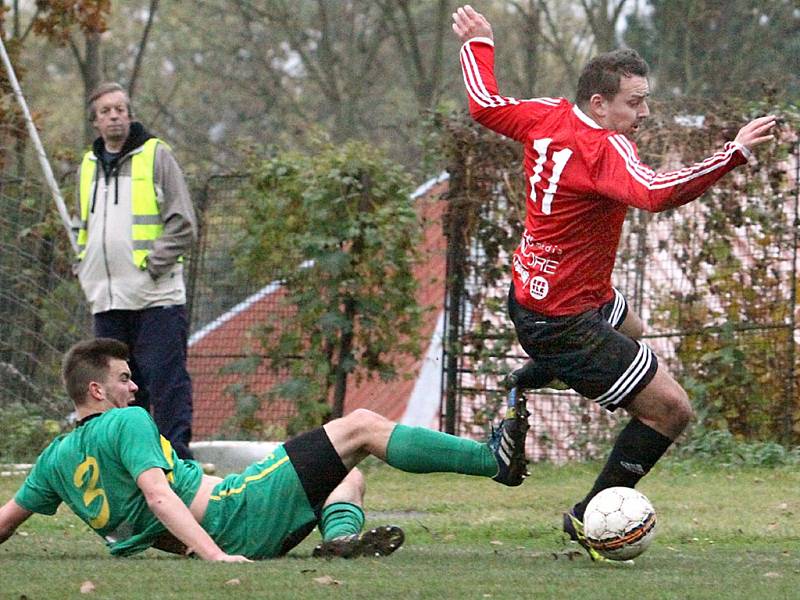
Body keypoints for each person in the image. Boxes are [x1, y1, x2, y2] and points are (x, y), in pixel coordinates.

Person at [451, 5, 776, 561]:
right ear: (599, 103)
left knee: (634, 327)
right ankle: (591, 517)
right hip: (563, 320)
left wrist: (479, 44)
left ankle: (525, 381)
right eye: (635, 101)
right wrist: (733, 154)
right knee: (671, 410)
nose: (645, 111)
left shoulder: (545, 115)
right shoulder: (604, 148)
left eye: (646, 99)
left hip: (538, 292)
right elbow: (656, 193)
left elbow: (485, 103)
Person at [0, 338, 529, 561]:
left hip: (233, 528)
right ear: (97, 391)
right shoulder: (125, 423)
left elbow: (5, 523)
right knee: (362, 427)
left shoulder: (54, 458)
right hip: (237, 513)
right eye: (123, 379)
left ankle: (341, 539)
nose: (134, 389)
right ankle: (493, 459)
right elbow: (161, 498)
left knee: (348, 478)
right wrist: (215, 556)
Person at [74, 82, 197, 459]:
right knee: (116, 386)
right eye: (106, 111)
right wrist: (84, 266)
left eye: (120, 109)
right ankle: (130, 461)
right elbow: (84, 226)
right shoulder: (88, 166)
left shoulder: (156, 156)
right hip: (108, 300)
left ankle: (176, 459)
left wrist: (152, 266)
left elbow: (184, 223)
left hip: (155, 296)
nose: (114, 115)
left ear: (130, 114)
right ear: (95, 121)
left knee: (166, 381)